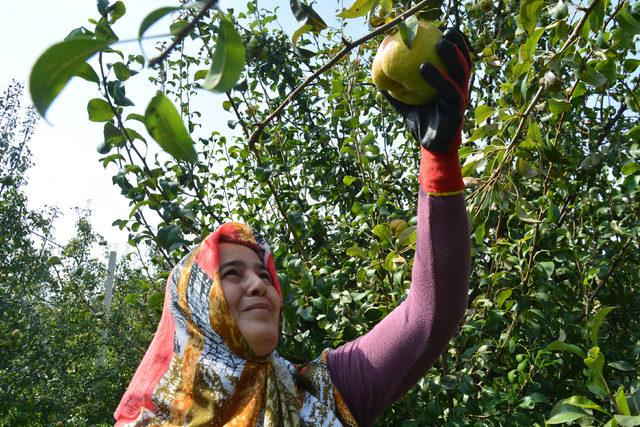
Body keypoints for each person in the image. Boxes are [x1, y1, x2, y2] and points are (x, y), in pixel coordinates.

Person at [114, 27, 472, 427]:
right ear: (195, 308)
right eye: (231, 273)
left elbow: (431, 314)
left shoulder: (324, 394)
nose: (259, 284)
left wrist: (439, 157)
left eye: (265, 274)